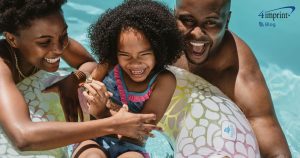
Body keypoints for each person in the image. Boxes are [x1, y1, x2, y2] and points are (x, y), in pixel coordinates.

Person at [0, 0, 160, 156]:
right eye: (44, 42)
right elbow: (23, 137)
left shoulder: (53, 38)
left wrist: (73, 79)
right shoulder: (2, 65)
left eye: (64, 35)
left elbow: (88, 63)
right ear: (12, 39)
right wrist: (114, 124)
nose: (59, 48)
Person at [174, 0, 291, 157]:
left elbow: (276, 153)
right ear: (174, 14)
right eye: (187, 20)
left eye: (210, 22)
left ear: (227, 21)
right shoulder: (159, 41)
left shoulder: (238, 75)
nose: (196, 33)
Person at [71, 0, 183, 157]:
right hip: (93, 136)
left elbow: (143, 128)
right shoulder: (109, 64)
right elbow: (86, 91)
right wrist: (88, 93)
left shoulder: (164, 80)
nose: (135, 63)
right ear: (115, 52)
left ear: (159, 50)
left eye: (144, 54)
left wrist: (103, 111)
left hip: (131, 147)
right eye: (125, 55)